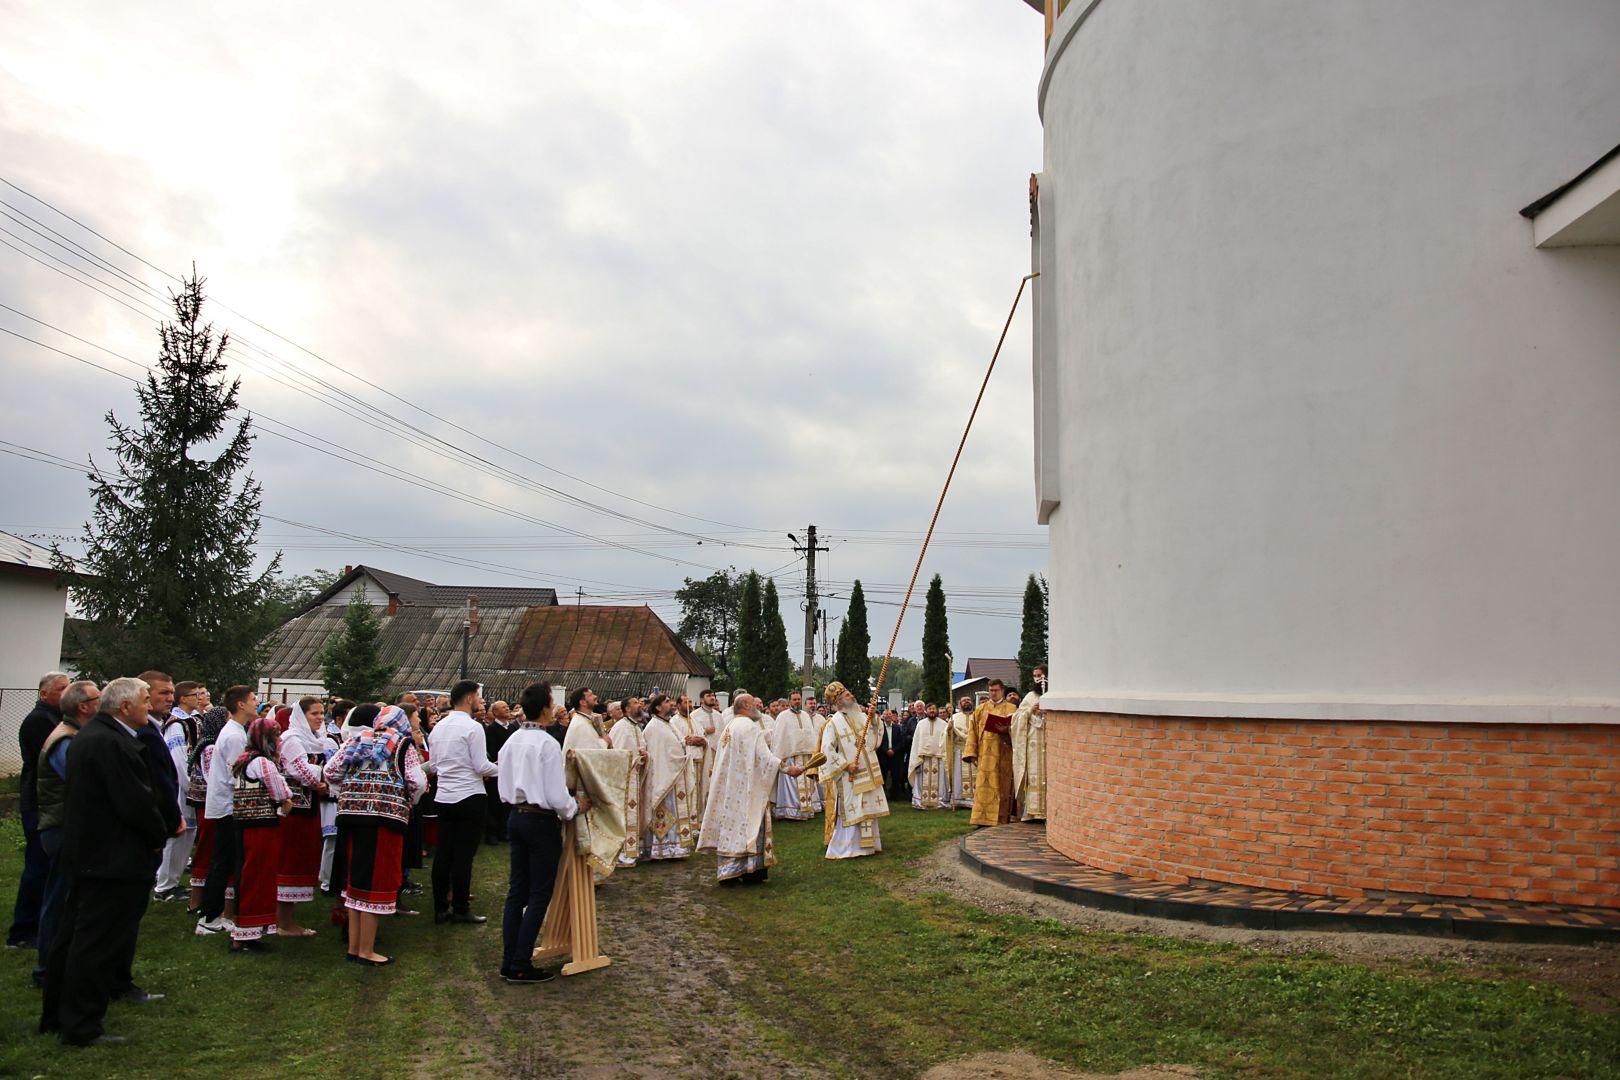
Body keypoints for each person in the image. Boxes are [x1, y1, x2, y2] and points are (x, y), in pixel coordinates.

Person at [40, 677, 175, 1047]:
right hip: (110, 859)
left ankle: (57, 1015)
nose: (150, 706)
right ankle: (81, 1026)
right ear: (125, 707)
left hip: (92, 855)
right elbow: (134, 802)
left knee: (74, 938)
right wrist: (156, 834)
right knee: (94, 943)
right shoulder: (109, 742)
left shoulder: (99, 736)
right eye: (146, 699)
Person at [497, 682, 591, 983]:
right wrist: (574, 807)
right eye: (552, 704)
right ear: (544, 709)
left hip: (515, 814)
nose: (554, 709)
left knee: (517, 892)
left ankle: (509, 958)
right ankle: (521, 963)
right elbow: (555, 792)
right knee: (539, 893)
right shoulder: (548, 743)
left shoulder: (511, 740)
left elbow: (504, 780)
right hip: (540, 820)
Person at [324, 706, 427, 966]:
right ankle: (367, 950)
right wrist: (408, 800)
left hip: (351, 816)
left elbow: (331, 771)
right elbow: (417, 781)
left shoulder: (356, 739)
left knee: (356, 881)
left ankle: (354, 947)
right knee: (377, 883)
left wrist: (350, 787)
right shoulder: (403, 745)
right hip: (384, 819)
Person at [31, 680, 99, 989]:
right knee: (60, 901)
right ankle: (47, 971)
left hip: (67, 826)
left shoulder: (75, 734)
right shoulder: (64, 741)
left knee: (67, 898)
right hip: (60, 827)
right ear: (83, 707)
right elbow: (81, 783)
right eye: (98, 698)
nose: (104, 703)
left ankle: (59, 966)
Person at [697, 695, 805, 884]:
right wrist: (788, 769)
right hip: (747, 788)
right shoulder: (749, 727)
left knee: (732, 828)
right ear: (746, 706)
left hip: (731, 788)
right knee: (751, 825)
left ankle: (729, 872)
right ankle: (750, 871)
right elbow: (764, 757)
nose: (758, 708)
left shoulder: (730, 726)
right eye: (754, 705)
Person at [426, 680, 500, 924]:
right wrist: (503, 768)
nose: (480, 702)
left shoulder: (439, 727)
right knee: (464, 855)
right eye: (478, 697)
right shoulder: (472, 727)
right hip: (469, 794)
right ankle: (460, 906)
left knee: (445, 852)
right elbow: (481, 765)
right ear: (469, 699)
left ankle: (439, 907)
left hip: (444, 796)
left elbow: (434, 765)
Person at [9, 671, 69, 950]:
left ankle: (43, 921)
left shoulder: (55, 719)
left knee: (48, 867)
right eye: (60, 689)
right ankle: (22, 930)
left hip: (48, 802)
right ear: (44, 694)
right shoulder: (39, 721)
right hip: (37, 801)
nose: (65, 693)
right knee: (37, 866)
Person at [227, 716, 294, 953]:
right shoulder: (263, 762)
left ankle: (246, 931)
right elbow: (280, 790)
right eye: (275, 735)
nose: (279, 739)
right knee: (257, 876)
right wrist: (286, 801)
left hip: (244, 823)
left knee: (248, 874)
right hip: (260, 825)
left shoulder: (243, 760)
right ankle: (244, 934)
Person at [196, 686, 255, 935]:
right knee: (222, 862)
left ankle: (213, 913)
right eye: (253, 699)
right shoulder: (234, 736)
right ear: (240, 704)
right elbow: (236, 774)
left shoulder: (236, 731)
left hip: (228, 804)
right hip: (228, 806)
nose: (256, 702)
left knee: (224, 861)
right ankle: (209, 917)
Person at [816, 683, 889, 859]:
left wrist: (872, 719)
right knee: (853, 808)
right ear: (840, 702)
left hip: (867, 771)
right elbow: (826, 749)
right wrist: (845, 765)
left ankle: (868, 845)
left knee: (867, 808)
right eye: (848, 695)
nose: (852, 696)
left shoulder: (861, 717)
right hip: (850, 775)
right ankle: (846, 847)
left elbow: (873, 743)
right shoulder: (833, 723)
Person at [276, 697, 330, 935]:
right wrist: (320, 778)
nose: (319, 718)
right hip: (295, 809)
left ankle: (285, 918)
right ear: (301, 716)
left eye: (321, 713)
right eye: (314, 714)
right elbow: (297, 768)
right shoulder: (292, 738)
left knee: (302, 856)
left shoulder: (316, 739)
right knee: (291, 858)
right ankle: (283, 921)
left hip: (308, 806)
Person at [154, 680, 202, 901]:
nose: (200, 697)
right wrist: (189, 786)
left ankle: (173, 882)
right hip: (182, 787)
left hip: (190, 787)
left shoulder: (190, 721)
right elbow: (179, 759)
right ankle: (163, 886)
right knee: (175, 835)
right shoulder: (176, 724)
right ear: (185, 699)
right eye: (196, 694)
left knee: (187, 835)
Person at [640, 693, 699, 860]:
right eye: (667, 702)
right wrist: (682, 757)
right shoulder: (654, 727)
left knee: (674, 813)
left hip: (674, 776)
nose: (672, 704)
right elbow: (658, 755)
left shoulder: (667, 724)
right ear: (658, 707)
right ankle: (662, 849)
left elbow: (676, 747)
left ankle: (674, 847)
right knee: (665, 813)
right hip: (663, 778)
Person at [183, 705, 228, 912]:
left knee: (209, 847)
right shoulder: (210, 746)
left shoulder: (208, 742)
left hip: (205, 800)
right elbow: (213, 777)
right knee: (206, 847)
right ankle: (197, 900)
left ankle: (202, 898)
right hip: (207, 802)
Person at [964, 680, 1018, 826]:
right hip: (985, 757)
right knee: (983, 789)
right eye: (991, 690)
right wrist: (972, 754)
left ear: (1002, 690)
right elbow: (972, 732)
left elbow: (1018, 732)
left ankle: (1000, 820)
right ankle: (981, 820)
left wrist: (1006, 731)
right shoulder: (981, 709)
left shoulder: (1012, 709)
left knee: (1001, 787)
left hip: (1004, 755)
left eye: (996, 690)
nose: (993, 693)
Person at [606, 699, 648, 866]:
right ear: (627, 708)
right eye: (635, 703)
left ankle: (631, 849)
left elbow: (639, 749)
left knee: (633, 814)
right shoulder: (621, 727)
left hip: (634, 777)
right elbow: (619, 755)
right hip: (623, 780)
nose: (640, 704)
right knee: (623, 815)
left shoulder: (635, 726)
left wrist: (644, 756)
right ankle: (622, 853)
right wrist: (638, 757)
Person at [768, 690, 821, 820]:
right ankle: (792, 811)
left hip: (807, 757)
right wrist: (781, 756)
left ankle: (808, 810)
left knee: (808, 785)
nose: (797, 701)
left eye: (798, 699)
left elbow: (810, 735)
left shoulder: (805, 715)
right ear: (790, 701)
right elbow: (780, 737)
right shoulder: (783, 716)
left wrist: (813, 752)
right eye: (794, 699)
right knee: (793, 786)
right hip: (790, 757)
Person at [1011, 667, 1048, 822]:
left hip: (1048, 740)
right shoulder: (1030, 696)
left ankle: (1048, 810)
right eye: (1035, 676)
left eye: (1040, 676)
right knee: (1034, 775)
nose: (1038, 679)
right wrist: (1030, 711)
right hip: (1033, 742)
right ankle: (1033, 811)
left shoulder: (1053, 695)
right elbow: (1017, 717)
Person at [669, 695, 710, 814]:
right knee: (688, 790)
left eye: (690, 702)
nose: (689, 705)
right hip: (686, 763)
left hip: (699, 762)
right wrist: (688, 741)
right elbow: (675, 742)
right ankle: (685, 817)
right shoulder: (674, 722)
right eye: (686, 702)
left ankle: (696, 819)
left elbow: (703, 737)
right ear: (678, 705)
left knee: (698, 790)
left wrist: (702, 741)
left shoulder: (695, 721)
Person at [907, 701, 952, 810]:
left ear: (936, 711)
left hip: (939, 758)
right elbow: (916, 741)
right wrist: (916, 757)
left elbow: (948, 739)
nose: (932, 711)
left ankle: (940, 802)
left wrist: (949, 729)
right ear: (926, 711)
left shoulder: (943, 724)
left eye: (934, 709)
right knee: (922, 780)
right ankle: (921, 802)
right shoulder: (920, 724)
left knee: (940, 781)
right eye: (930, 709)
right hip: (923, 758)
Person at [483, 700, 514, 844]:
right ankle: (492, 833)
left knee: (507, 803)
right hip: (497, 771)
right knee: (495, 803)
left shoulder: (512, 729)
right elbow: (492, 750)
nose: (507, 708)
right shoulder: (492, 729)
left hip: (512, 771)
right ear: (495, 712)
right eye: (503, 707)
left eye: (507, 707)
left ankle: (504, 830)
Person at [690, 688, 725, 791]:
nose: (712, 698)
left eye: (713, 696)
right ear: (701, 700)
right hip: (703, 752)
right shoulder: (694, 715)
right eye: (709, 696)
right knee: (703, 779)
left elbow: (723, 733)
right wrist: (705, 731)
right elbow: (692, 733)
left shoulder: (718, 715)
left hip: (717, 752)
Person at [947, 695, 976, 810]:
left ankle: (975, 799)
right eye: (964, 700)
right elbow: (947, 737)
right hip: (960, 751)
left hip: (974, 751)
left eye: (968, 700)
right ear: (960, 704)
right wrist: (949, 729)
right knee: (959, 775)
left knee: (976, 775)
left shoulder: (977, 716)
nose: (966, 702)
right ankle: (960, 800)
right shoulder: (954, 717)